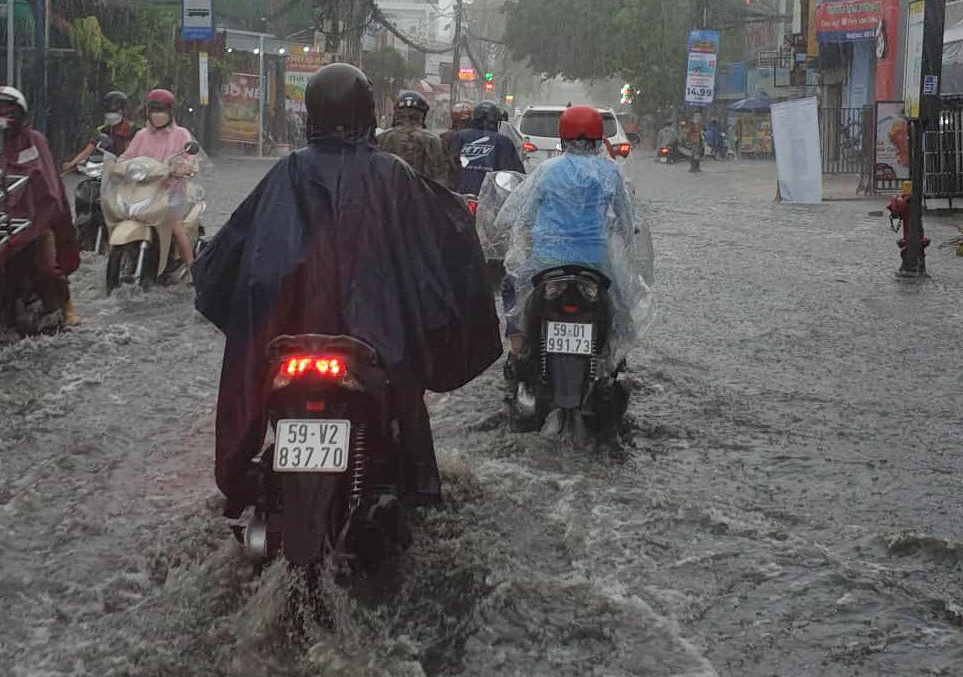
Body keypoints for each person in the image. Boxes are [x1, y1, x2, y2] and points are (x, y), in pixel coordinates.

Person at [192, 61, 498, 513]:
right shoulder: (393, 176)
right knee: (407, 402)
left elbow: (234, 251)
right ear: (367, 111)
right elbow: (446, 240)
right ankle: (416, 493)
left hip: (290, 335)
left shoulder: (289, 171)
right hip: (379, 339)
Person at [496, 104, 645, 365]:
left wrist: (518, 235)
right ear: (599, 138)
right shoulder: (611, 172)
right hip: (596, 266)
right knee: (623, 303)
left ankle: (516, 352)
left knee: (511, 286)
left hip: (546, 264)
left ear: (563, 137)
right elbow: (626, 219)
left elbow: (522, 215)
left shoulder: (547, 169)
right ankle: (613, 357)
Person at [0, 85, 81, 327]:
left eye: (6, 109)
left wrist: (36, 215)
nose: (0, 114)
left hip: (32, 221)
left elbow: (47, 184)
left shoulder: (33, 140)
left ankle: (68, 307)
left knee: (46, 269)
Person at [119, 87, 200, 274]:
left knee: (175, 226)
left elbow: (188, 160)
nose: (157, 115)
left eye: (161, 110)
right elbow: (126, 157)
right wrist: (117, 166)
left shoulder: (181, 134)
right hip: (142, 192)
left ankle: (192, 269)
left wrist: (183, 168)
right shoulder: (141, 136)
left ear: (170, 113)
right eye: (153, 110)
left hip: (172, 192)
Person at [447, 99, 525, 195]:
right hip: (491, 198)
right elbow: (517, 174)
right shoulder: (504, 141)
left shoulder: (459, 136)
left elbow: (447, 168)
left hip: (461, 196)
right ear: (496, 121)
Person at [380, 90, 453, 188]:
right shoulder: (433, 140)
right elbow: (443, 179)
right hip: (422, 200)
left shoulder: (381, 138)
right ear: (423, 114)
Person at [65, 90, 137, 170]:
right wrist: (72, 163)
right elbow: (88, 150)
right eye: (108, 112)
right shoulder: (104, 130)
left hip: (128, 168)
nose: (111, 115)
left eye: (115, 111)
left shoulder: (133, 130)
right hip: (107, 166)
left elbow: (133, 154)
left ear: (124, 111)